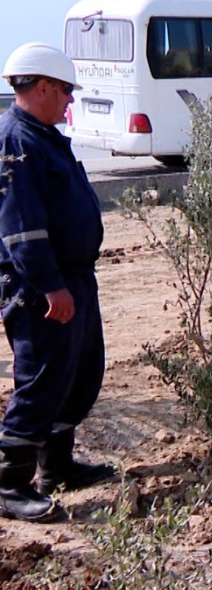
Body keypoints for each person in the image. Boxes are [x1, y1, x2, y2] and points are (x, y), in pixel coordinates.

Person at [0, 43, 114, 522]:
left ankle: (57, 465)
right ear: (42, 86)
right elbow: (21, 226)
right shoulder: (17, 141)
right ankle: (9, 482)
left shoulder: (44, 135)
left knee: (79, 372)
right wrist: (49, 286)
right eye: (66, 91)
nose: (70, 101)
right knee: (43, 378)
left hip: (73, 277)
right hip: (41, 287)